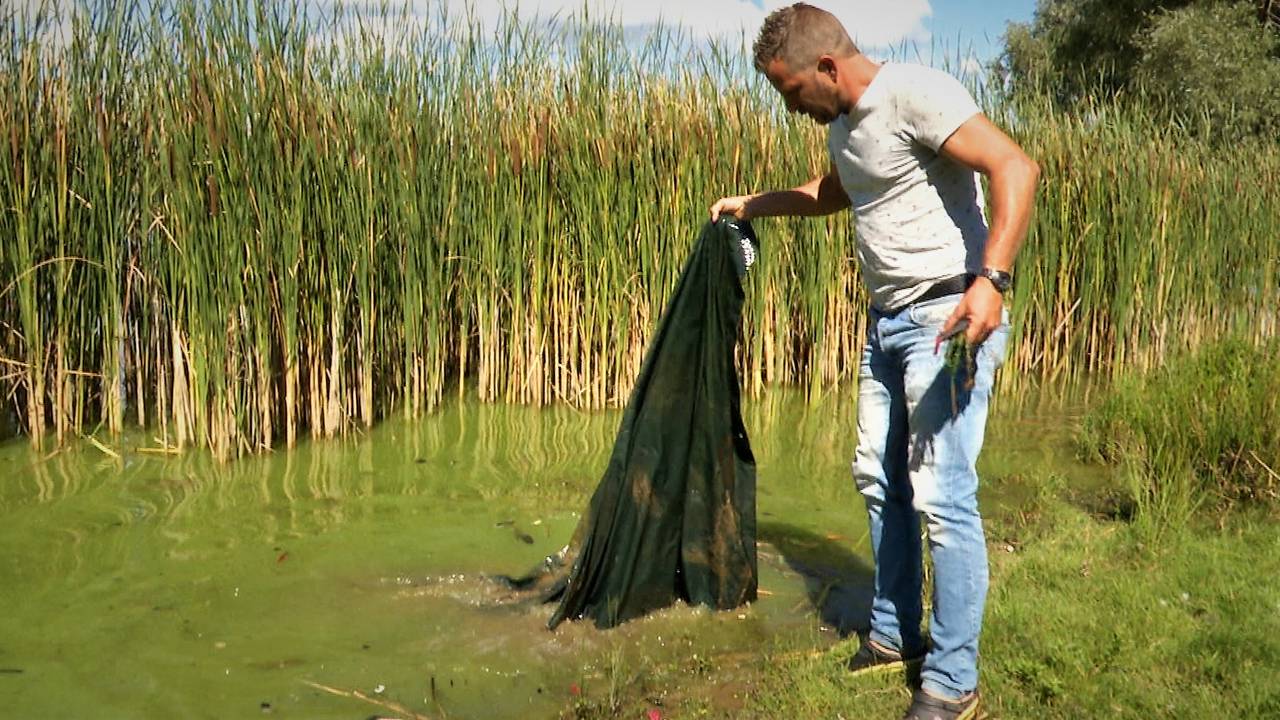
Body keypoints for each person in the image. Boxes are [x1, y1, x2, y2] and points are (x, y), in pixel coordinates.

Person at [709, 4, 1039, 719]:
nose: (791, 107)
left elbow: (1015, 165)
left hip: (946, 320)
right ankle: (894, 634)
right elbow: (832, 192)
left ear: (827, 67)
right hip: (885, 325)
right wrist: (753, 205)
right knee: (879, 480)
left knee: (942, 497)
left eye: (792, 90)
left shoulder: (916, 92)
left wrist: (992, 281)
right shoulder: (844, 127)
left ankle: (952, 681)